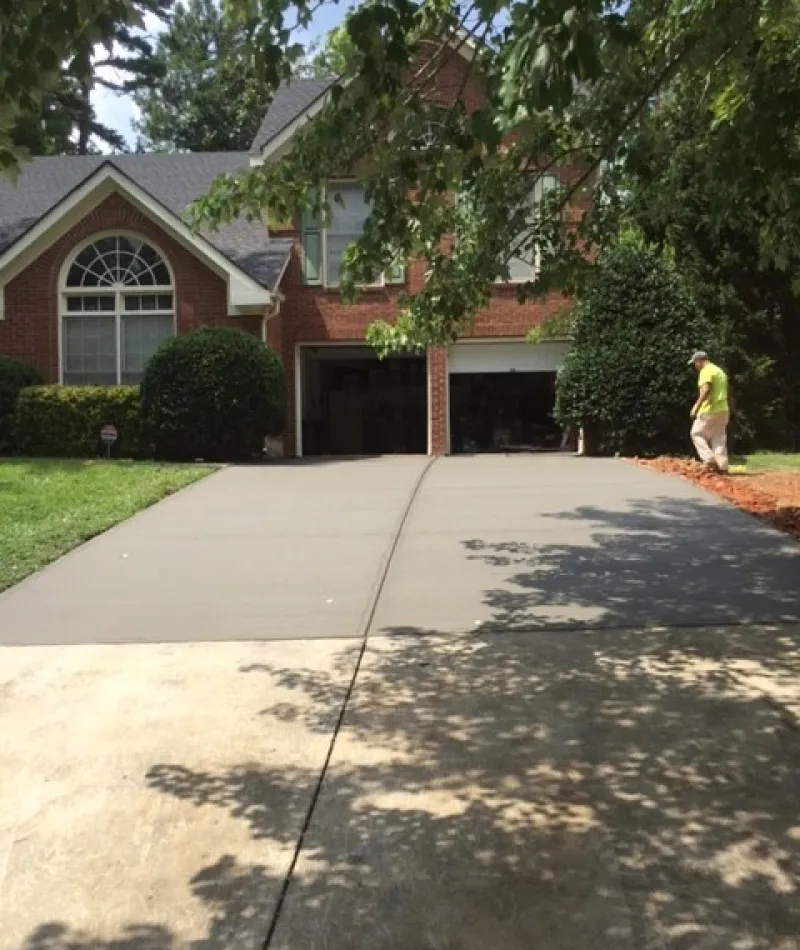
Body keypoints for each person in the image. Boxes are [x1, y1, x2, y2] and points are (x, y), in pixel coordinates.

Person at [688, 350, 730, 472]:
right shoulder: (719, 371)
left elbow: (705, 389)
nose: (695, 366)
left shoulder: (706, 371)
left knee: (696, 433)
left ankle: (709, 459)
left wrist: (696, 406)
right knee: (719, 438)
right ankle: (722, 466)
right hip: (723, 409)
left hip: (709, 409)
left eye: (695, 363)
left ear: (699, 361)